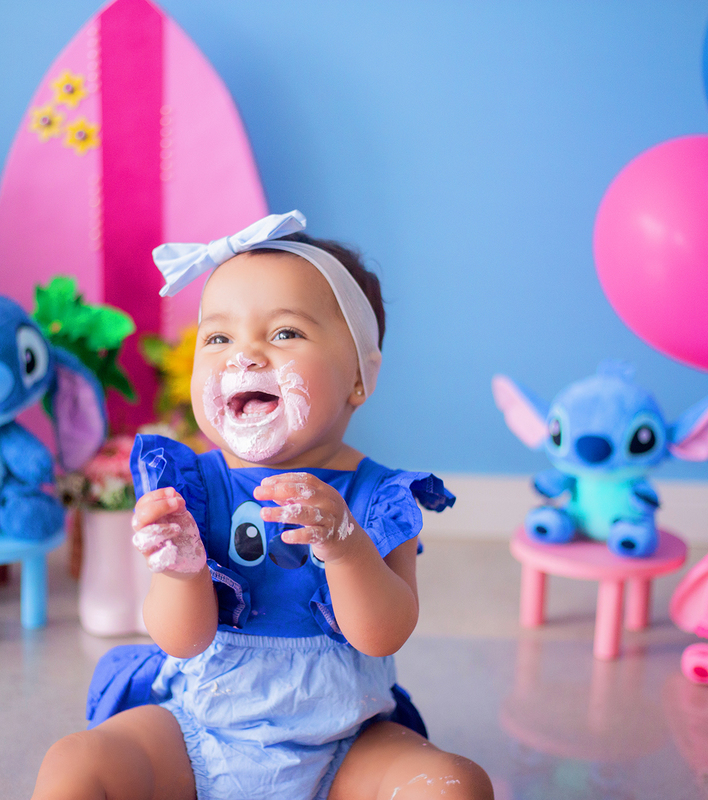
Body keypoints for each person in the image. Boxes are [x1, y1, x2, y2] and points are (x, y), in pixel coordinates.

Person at [32, 211, 493, 800]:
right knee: (75, 765)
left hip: (345, 747)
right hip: (197, 731)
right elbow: (180, 640)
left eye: (284, 334)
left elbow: (384, 634)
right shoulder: (190, 486)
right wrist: (182, 570)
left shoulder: (382, 499)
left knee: (455, 785)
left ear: (360, 376)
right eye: (218, 337)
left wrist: (346, 546)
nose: (243, 356)